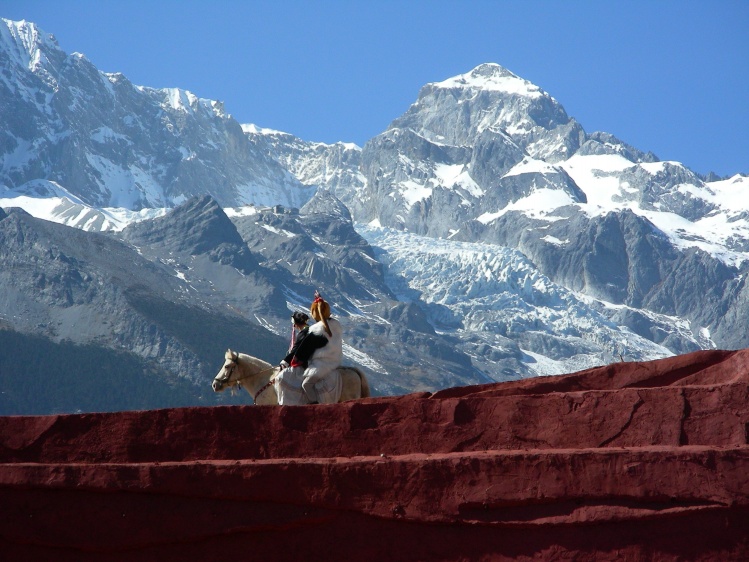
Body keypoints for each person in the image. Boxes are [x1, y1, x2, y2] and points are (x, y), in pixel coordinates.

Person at [273, 292, 343, 405]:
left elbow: (303, 350)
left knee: (306, 384)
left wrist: (291, 361)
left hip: (322, 364)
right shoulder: (335, 326)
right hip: (335, 361)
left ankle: (315, 405)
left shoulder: (316, 330)